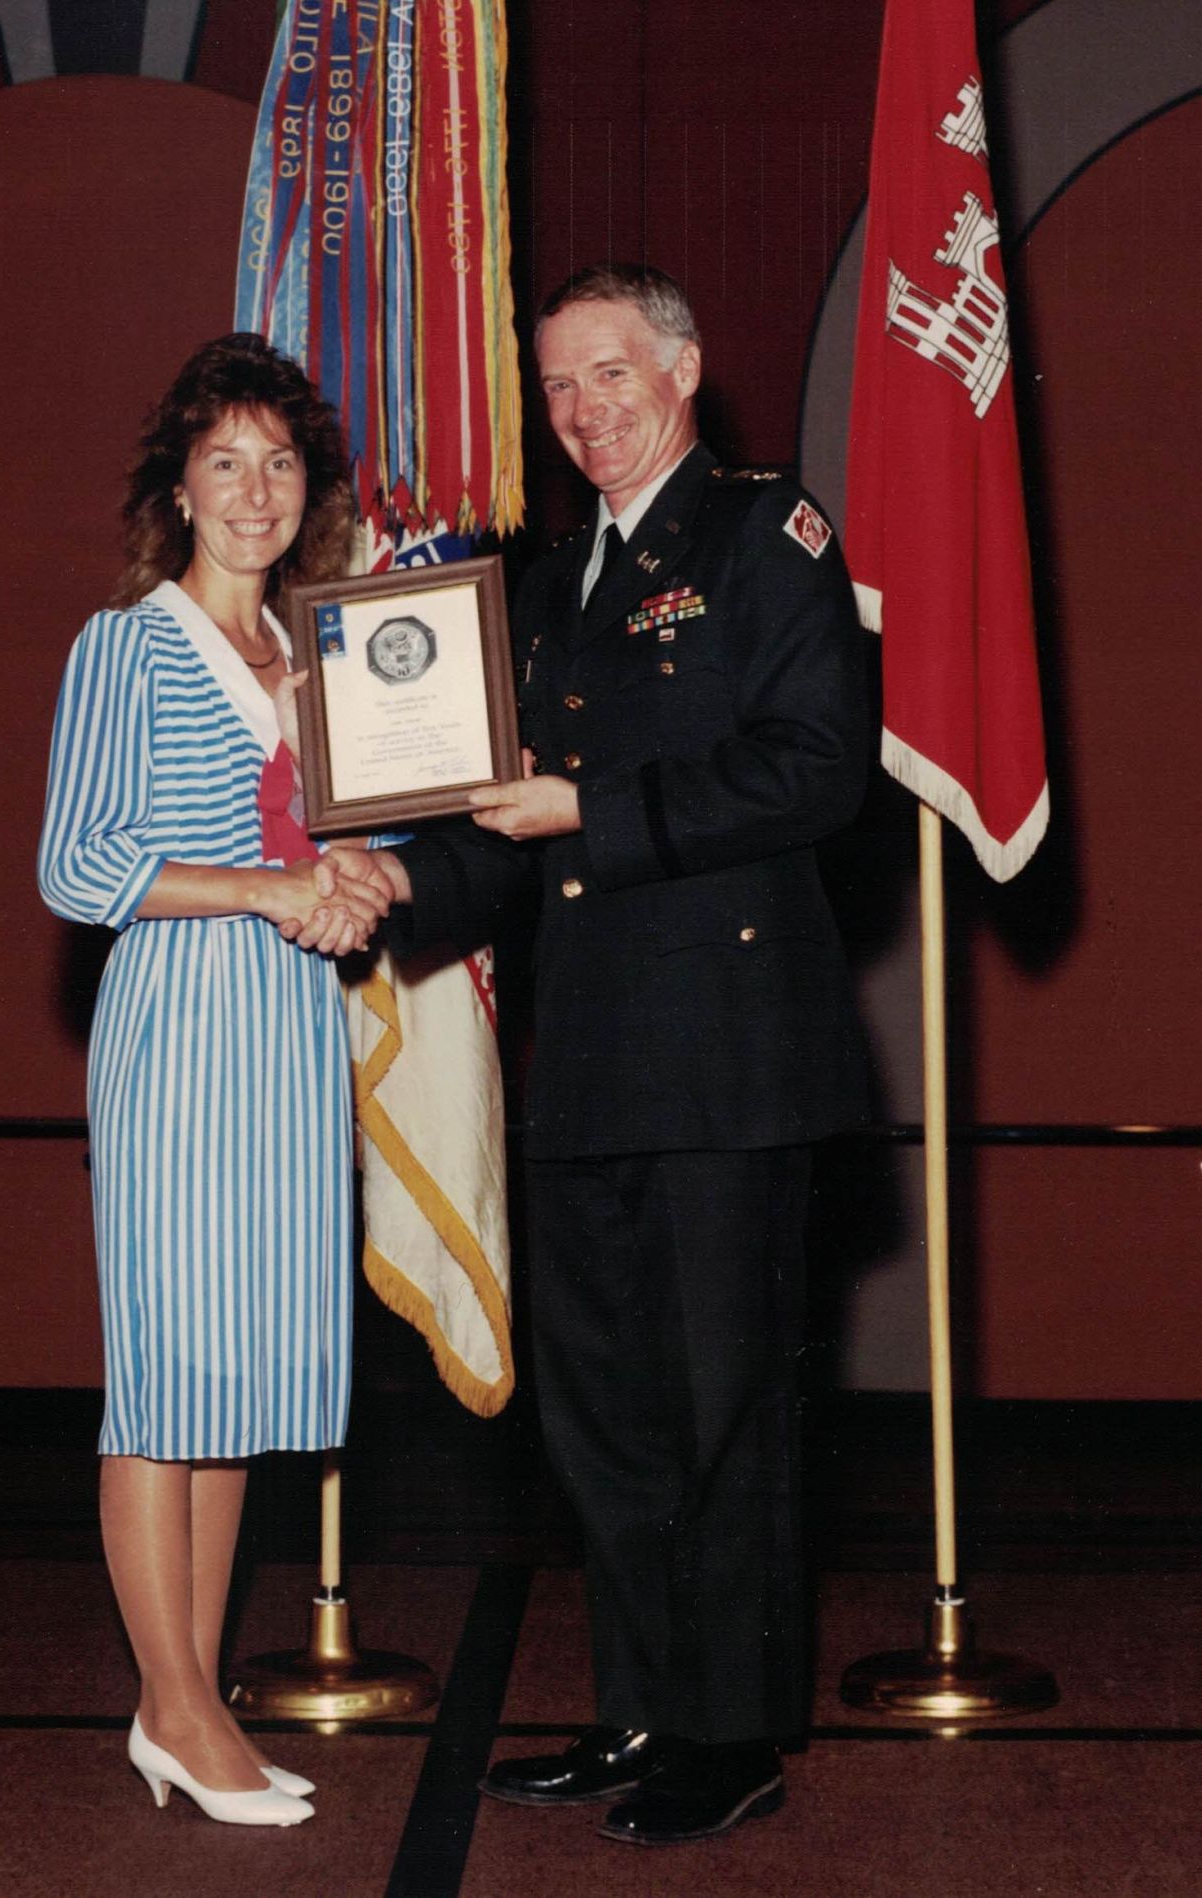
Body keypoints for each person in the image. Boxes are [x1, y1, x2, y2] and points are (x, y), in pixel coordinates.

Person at [362, 264, 870, 1845]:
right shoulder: (534, 576)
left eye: (609, 372)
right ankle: (642, 1706)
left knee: (725, 1404)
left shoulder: (764, 538)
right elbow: (498, 829)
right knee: (601, 1410)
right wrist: (393, 887)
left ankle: (735, 1731)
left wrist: (598, 811)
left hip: (727, 1055)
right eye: (559, 386)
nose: (584, 408)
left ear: (688, 365)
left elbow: (815, 770)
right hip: (582, 1051)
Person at [37, 334, 388, 1828]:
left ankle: (202, 1693)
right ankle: (171, 1703)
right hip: (183, 1025)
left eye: (280, 463)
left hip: (292, 1029)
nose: (255, 491)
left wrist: (367, 874)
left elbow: (353, 844)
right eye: (226, 462)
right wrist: (265, 886)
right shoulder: (126, 646)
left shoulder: (325, 653)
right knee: (166, 1375)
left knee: (237, 1376)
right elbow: (79, 861)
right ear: (177, 486)